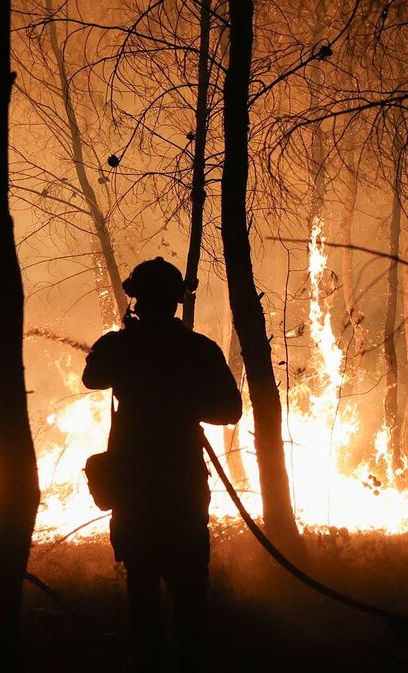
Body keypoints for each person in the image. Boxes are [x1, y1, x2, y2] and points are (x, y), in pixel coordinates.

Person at [82, 257, 243, 671]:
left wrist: (124, 345)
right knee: (190, 602)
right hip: (180, 487)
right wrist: (185, 400)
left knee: (143, 600)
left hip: (136, 488)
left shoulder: (124, 347)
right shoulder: (197, 349)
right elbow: (229, 409)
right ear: (176, 302)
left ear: (136, 301)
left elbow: (93, 377)